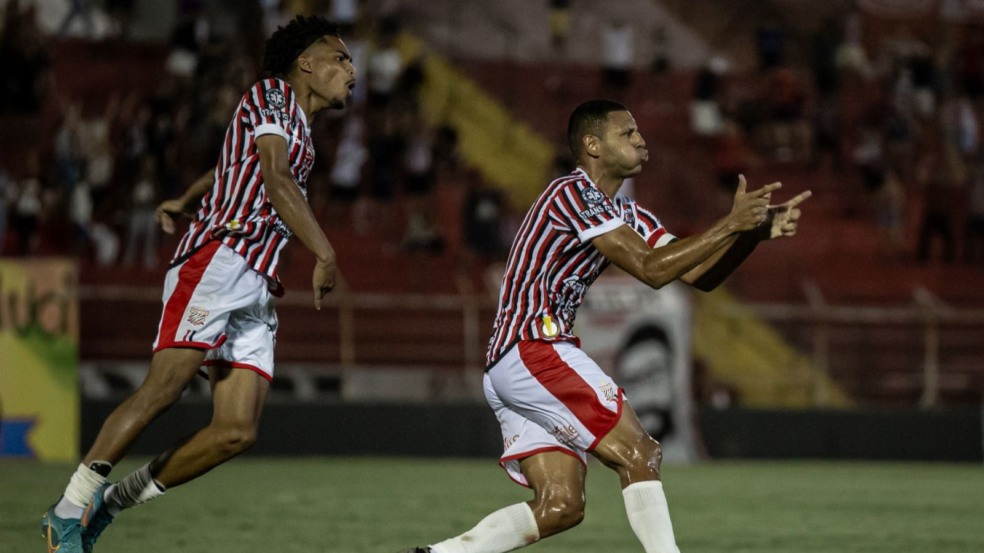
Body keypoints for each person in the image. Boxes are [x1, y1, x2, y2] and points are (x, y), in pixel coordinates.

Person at [399, 99, 810, 553]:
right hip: (535, 347)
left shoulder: (630, 215)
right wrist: (729, 223)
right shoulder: (570, 193)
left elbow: (698, 275)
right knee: (640, 452)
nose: (640, 139)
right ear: (592, 145)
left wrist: (747, 235)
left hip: (512, 364)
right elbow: (652, 270)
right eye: (627, 133)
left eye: (638, 132)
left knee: (561, 506)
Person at [41, 15, 356, 553]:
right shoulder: (273, 95)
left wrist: (185, 200)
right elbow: (274, 181)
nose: (352, 70)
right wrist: (324, 251)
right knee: (163, 388)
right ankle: (67, 509)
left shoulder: (296, 128)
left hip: (255, 284)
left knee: (236, 431)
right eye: (341, 58)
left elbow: (231, 168)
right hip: (220, 262)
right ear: (307, 62)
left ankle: (108, 504)